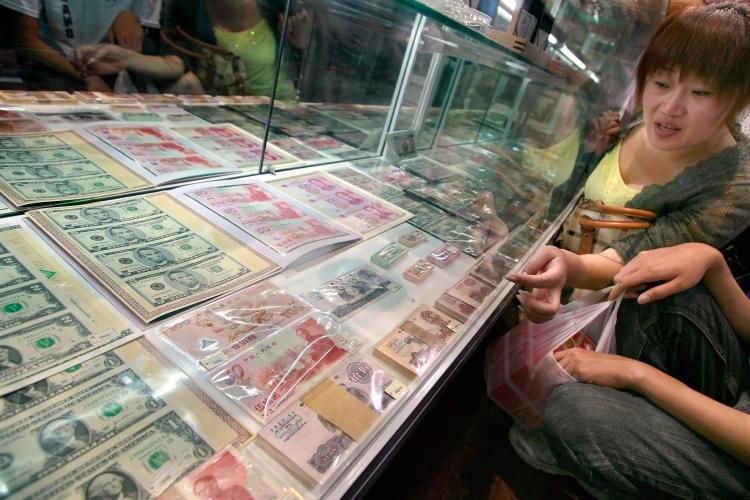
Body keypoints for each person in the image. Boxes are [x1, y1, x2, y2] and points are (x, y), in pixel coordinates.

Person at [507, 242, 750, 497]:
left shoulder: (725, 207)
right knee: (663, 292)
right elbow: (639, 249)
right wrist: (713, 264)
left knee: (575, 412)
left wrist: (637, 374)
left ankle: (610, 459)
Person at [550, 1, 750, 304]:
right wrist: (595, 150)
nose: (670, 107)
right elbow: (579, 196)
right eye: (662, 82)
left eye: (700, 92)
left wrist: (564, 265)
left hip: (597, 327)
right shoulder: (639, 121)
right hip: (552, 288)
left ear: (739, 97)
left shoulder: (735, 187)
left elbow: (629, 259)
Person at [73, 0, 307, 97]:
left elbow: (308, 57)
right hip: (231, 119)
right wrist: (126, 58)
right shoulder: (186, 5)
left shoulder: (279, 5)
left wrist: (302, 41)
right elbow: (177, 62)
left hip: (281, 113)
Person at [2, 0, 161, 90]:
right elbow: (25, 38)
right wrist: (87, 78)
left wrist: (135, 18)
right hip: (57, 61)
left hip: (116, 62)